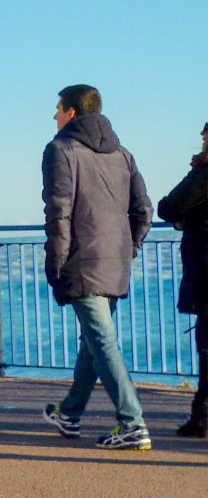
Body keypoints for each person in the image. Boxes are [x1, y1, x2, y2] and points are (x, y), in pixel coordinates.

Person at [41, 85, 153, 450]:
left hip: (82, 261)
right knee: (94, 342)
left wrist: (56, 262)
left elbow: (59, 211)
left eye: (57, 109)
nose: (54, 116)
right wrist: (129, 247)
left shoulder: (60, 149)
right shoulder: (123, 154)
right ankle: (70, 413)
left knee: (102, 341)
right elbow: (144, 211)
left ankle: (132, 423)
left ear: (72, 112)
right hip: (115, 261)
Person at [156, 121, 208, 439]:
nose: (202, 136)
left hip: (205, 266)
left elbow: (169, 205)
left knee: (207, 346)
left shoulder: (203, 173)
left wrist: (186, 219)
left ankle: (202, 417)